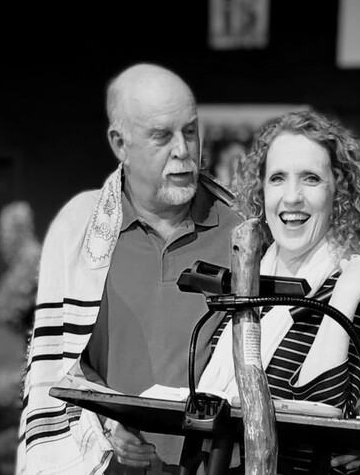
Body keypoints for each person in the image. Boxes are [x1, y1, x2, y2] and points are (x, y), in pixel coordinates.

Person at [16, 63, 242, 474]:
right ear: (120, 143)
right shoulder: (80, 230)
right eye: (162, 136)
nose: (183, 150)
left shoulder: (241, 233)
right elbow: (58, 361)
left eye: (191, 131)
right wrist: (103, 421)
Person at [201, 110, 360, 474]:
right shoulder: (246, 283)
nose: (292, 196)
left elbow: (324, 418)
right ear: (262, 190)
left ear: (338, 192)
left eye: (311, 179)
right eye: (278, 178)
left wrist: (344, 297)